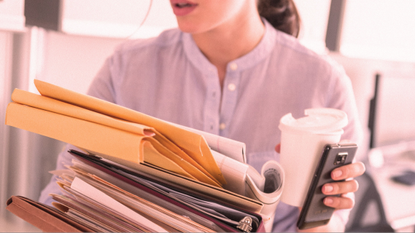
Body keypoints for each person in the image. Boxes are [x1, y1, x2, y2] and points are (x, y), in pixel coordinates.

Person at [39, 0, 366, 231]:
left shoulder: (324, 84)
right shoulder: (125, 69)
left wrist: (320, 215)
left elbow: (326, 223)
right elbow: (64, 190)